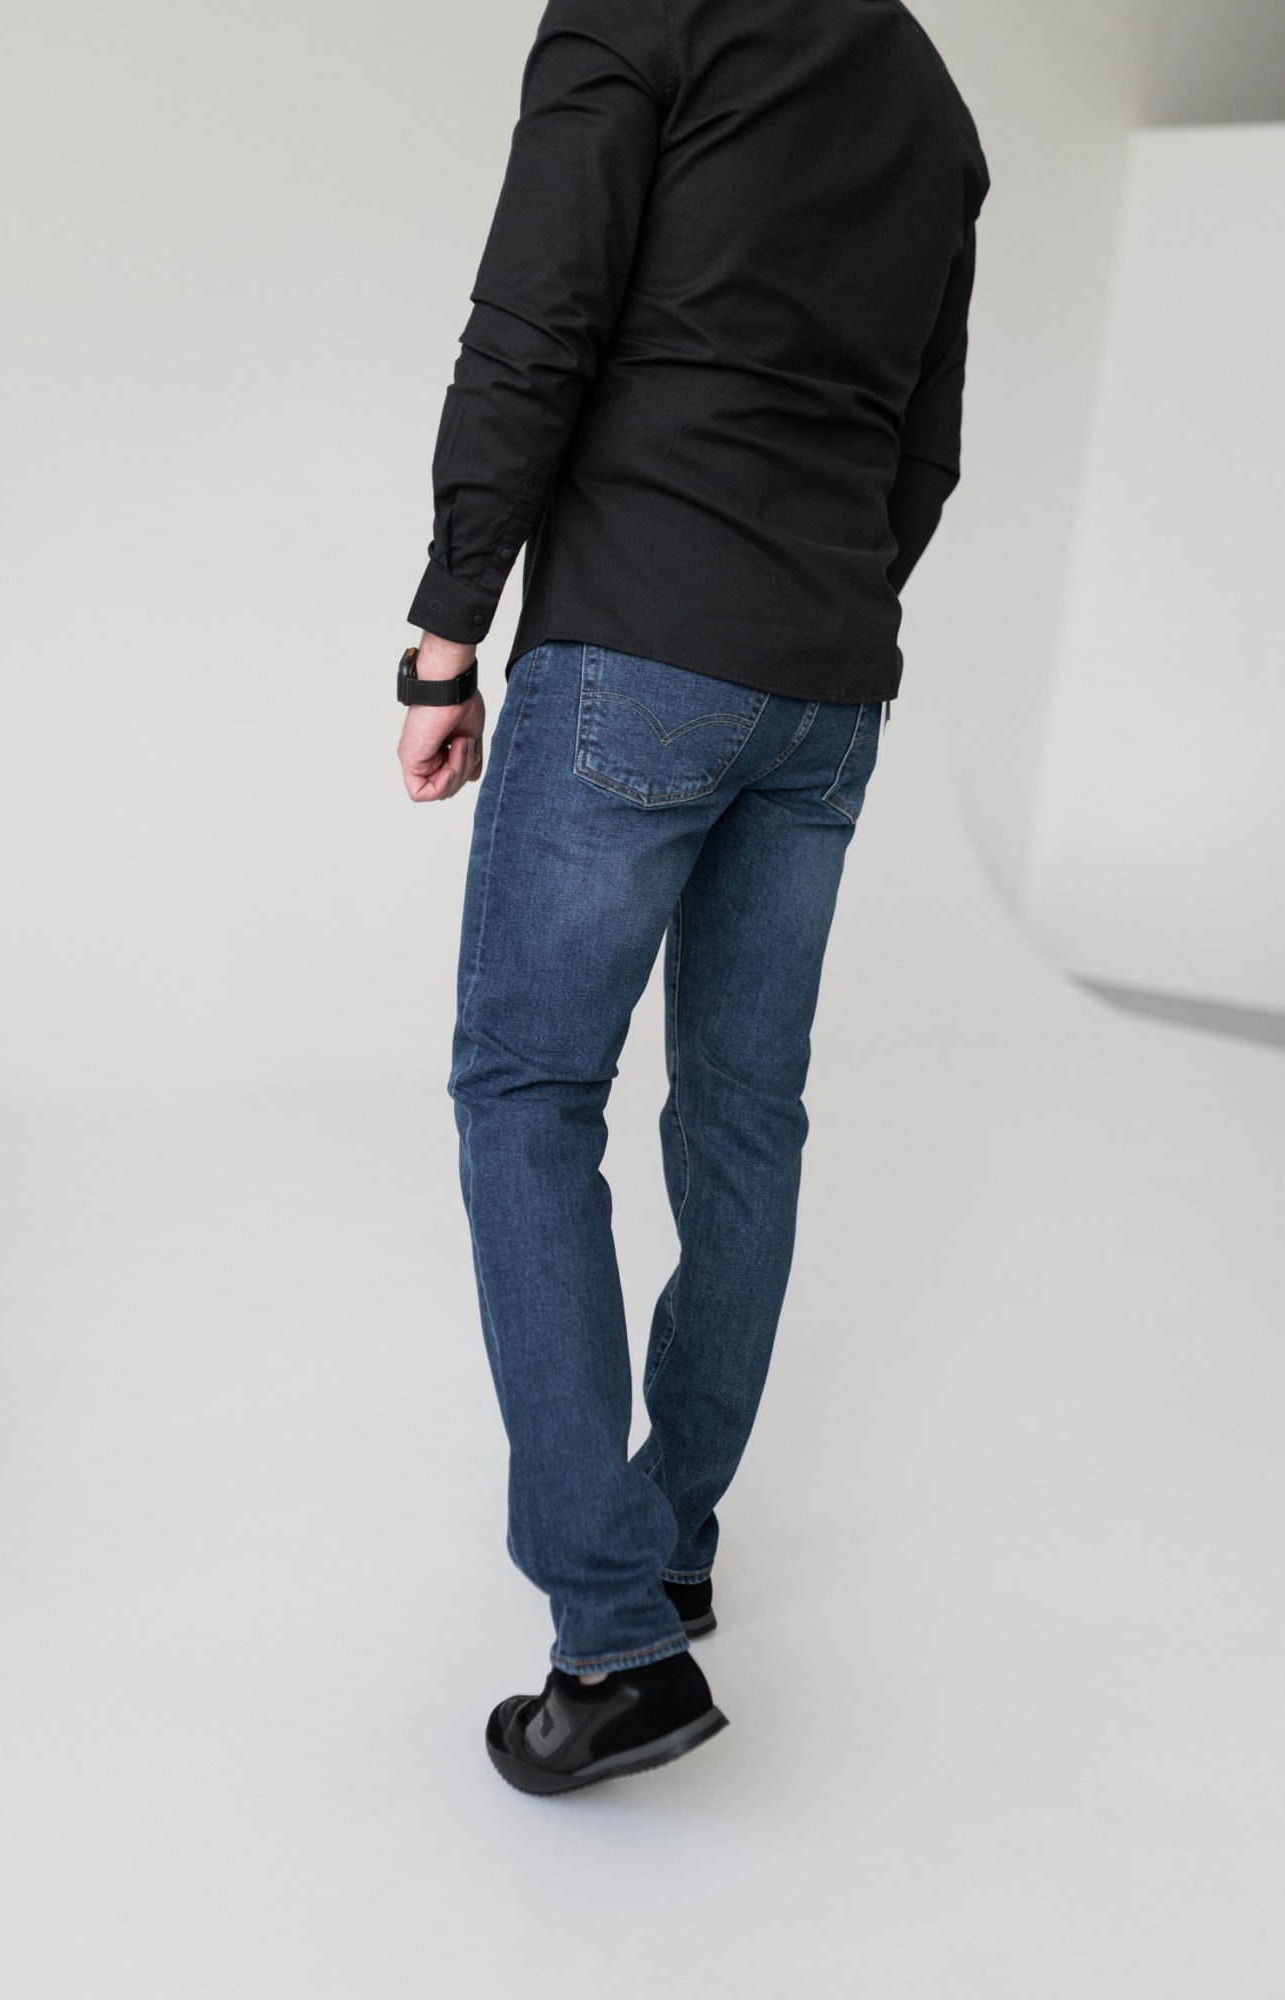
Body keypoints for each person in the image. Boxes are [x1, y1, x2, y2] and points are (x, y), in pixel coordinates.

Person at [396, 0, 989, 1797]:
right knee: (741, 1116)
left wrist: (445, 633)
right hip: (825, 683)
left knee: (526, 1098)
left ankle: (612, 1643)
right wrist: (807, 614)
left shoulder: (642, 8)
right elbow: (924, 449)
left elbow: (535, 320)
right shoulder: (928, 97)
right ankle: (667, 1545)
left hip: (638, 644)